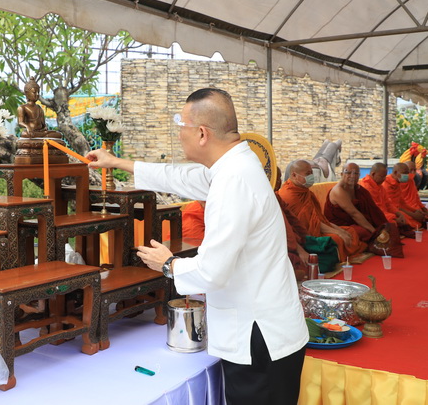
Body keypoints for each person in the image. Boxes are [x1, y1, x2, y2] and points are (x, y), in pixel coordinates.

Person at [86, 88, 307, 404]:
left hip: (260, 336)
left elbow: (213, 271)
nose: (179, 134)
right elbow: (179, 177)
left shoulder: (233, 181)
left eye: (181, 125)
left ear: (202, 133)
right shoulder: (234, 165)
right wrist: (116, 162)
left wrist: (168, 263)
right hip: (266, 330)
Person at [277, 160, 367, 261]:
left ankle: (348, 254)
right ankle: (341, 258)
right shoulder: (289, 195)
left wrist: (339, 230)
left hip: (319, 227)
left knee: (350, 231)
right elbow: (309, 224)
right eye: (308, 173)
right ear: (294, 175)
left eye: (311, 173)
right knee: (336, 239)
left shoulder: (305, 191)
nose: (311, 176)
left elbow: (318, 218)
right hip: (307, 234)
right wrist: (338, 232)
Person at [324, 162, 387, 241]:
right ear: (342, 174)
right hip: (339, 224)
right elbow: (354, 214)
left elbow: (373, 209)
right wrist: (374, 231)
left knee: (385, 227)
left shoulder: (358, 189)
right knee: (365, 232)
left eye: (356, 173)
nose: (352, 176)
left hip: (355, 221)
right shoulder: (338, 191)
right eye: (348, 173)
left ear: (359, 175)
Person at [383, 163, 427, 229]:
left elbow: (402, 203)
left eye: (407, 173)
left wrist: (415, 211)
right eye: (404, 173)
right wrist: (413, 215)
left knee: (420, 217)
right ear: (395, 172)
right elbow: (391, 207)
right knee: (412, 222)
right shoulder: (386, 184)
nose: (407, 175)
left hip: (399, 210)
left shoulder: (398, 183)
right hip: (390, 212)